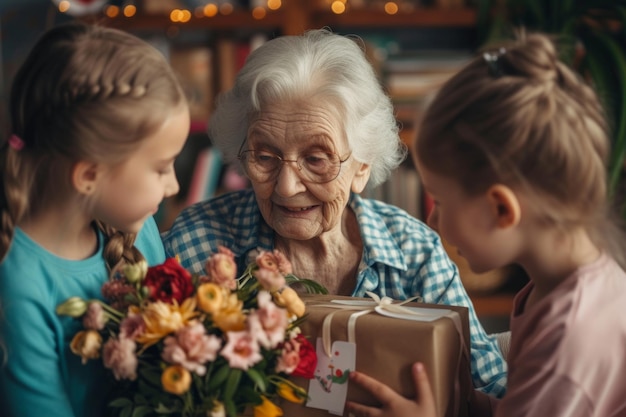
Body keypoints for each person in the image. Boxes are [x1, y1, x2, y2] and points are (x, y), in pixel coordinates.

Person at [162, 28, 507, 397]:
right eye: (265, 157)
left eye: (315, 159)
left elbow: (493, 389)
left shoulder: (413, 251)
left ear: (362, 166)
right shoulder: (198, 245)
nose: (286, 187)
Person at [346, 32, 626, 417]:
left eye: (440, 202)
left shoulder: (570, 344)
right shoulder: (554, 290)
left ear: (501, 209)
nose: (431, 220)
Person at [0, 22, 190, 417]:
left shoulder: (138, 226)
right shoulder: (18, 286)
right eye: (160, 168)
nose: (173, 185)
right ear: (89, 175)